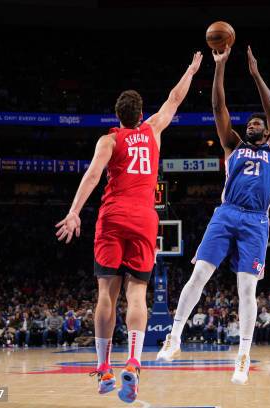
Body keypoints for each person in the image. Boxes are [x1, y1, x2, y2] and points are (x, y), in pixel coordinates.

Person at [56, 51, 202, 403]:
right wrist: (193, 68)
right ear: (141, 114)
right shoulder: (153, 131)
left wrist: (75, 211)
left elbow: (92, 176)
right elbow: (175, 98)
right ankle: (134, 363)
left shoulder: (108, 140)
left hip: (112, 217)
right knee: (137, 293)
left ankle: (104, 368)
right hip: (144, 219)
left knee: (107, 293)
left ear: (117, 116)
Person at [157, 45, 270, 386]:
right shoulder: (232, 145)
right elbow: (218, 106)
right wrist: (220, 66)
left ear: (269, 132)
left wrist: (256, 75)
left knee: (247, 290)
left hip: (257, 220)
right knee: (199, 274)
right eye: (252, 122)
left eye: (260, 123)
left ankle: (242, 355)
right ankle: (175, 336)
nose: (255, 123)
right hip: (226, 213)